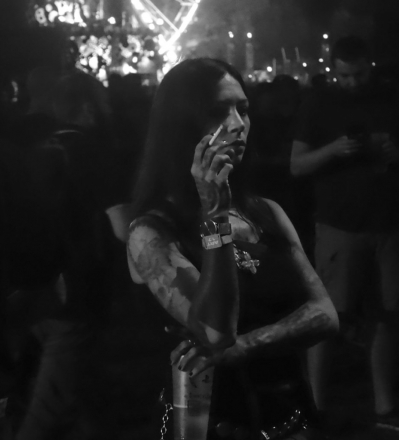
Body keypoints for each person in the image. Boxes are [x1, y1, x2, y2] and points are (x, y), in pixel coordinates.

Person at [126, 58, 338, 440]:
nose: (238, 124)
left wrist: (249, 344)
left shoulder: (266, 212)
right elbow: (215, 332)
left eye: (243, 108)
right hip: (209, 422)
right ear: (181, 126)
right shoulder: (152, 232)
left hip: (289, 418)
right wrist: (215, 215)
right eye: (218, 112)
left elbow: (325, 313)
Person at [290, 35, 399, 434]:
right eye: (345, 76)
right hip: (340, 225)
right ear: (334, 69)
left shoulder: (392, 99)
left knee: (385, 315)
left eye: (359, 74)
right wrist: (334, 150)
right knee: (328, 318)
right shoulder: (318, 103)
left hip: (387, 223)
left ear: (370, 66)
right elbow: (297, 164)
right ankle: (316, 407)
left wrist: (398, 153)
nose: (352, 82)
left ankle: (384, 406)